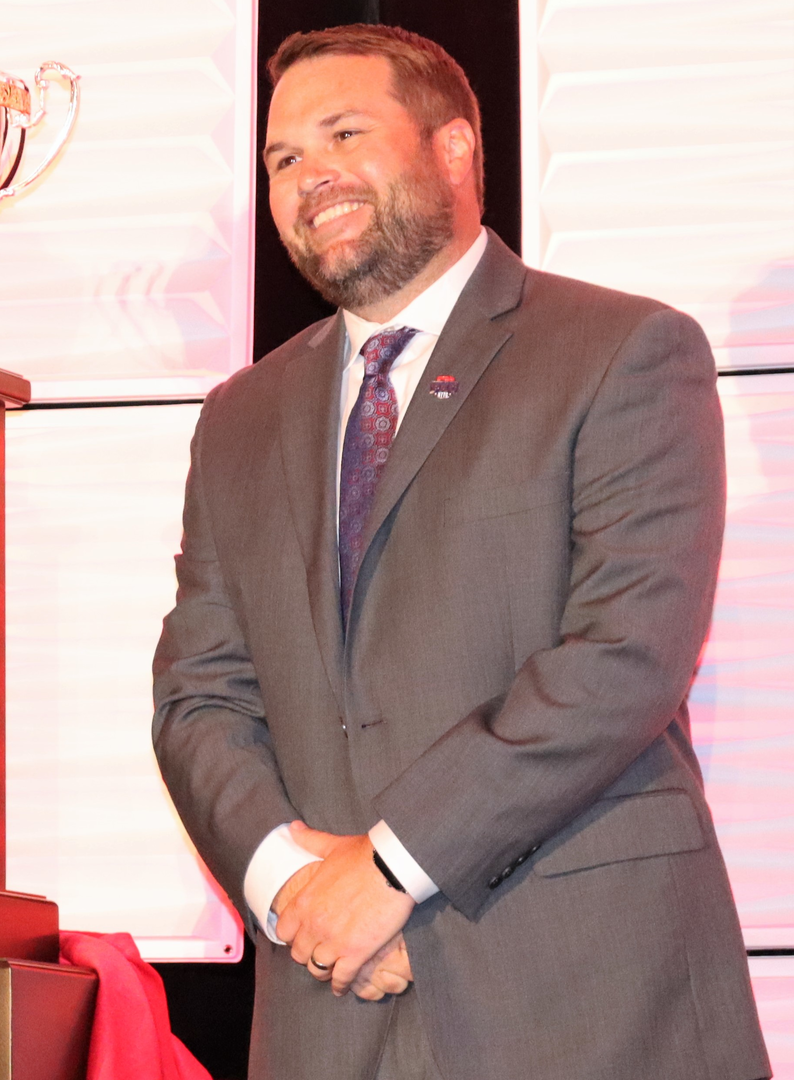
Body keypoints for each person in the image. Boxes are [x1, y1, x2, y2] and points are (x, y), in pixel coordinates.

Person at [151, 24, 768, 1080]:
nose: (310, 176)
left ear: (455, 148)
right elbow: (199, 693)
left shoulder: (622, 352)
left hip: (588, 1002)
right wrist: (291, 885)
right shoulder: (240, 418)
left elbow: (626, 655)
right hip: (333, 1004)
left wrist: (391, 868)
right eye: (284, 158)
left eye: (344, 132)